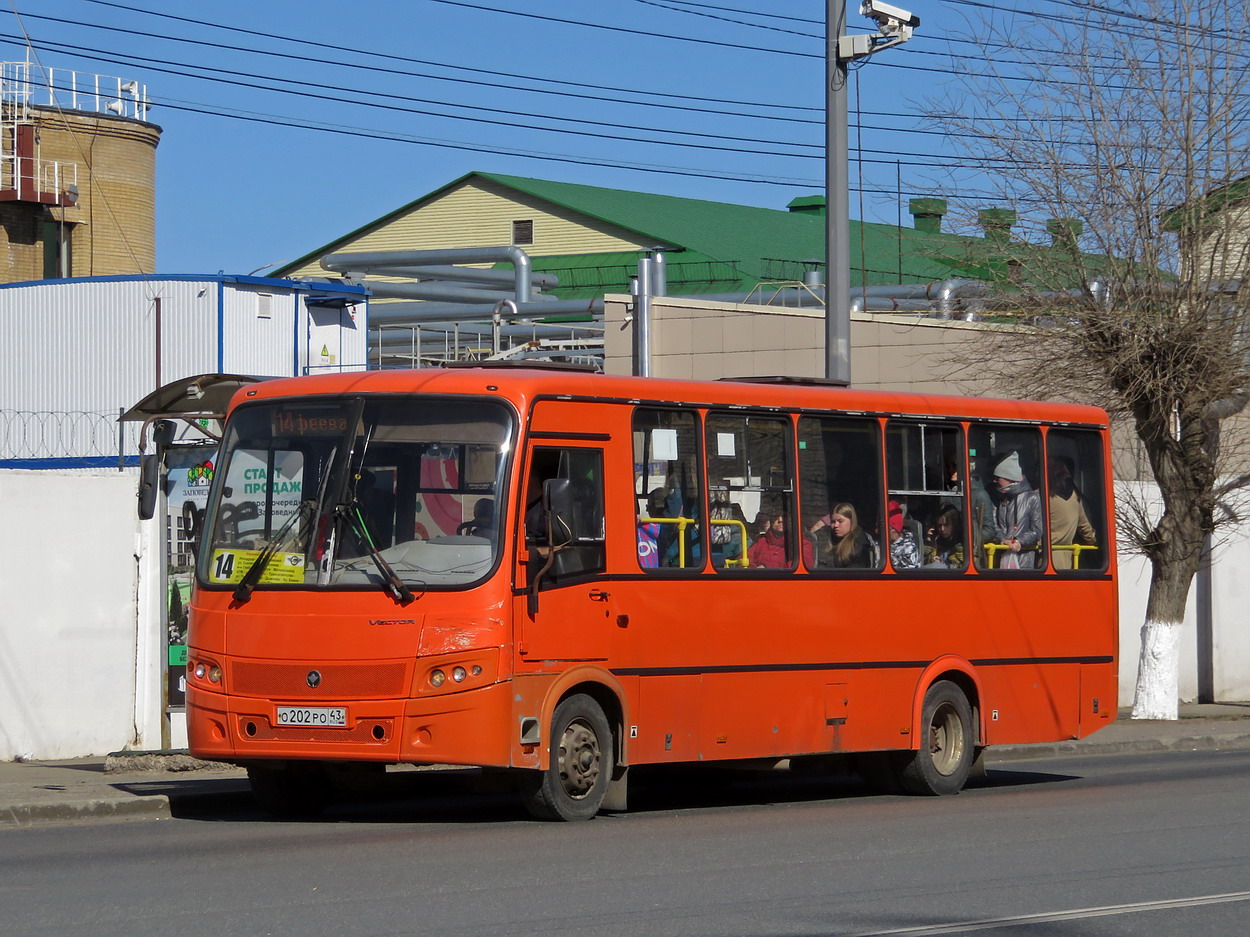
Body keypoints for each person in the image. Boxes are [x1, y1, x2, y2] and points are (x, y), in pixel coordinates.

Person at [992, 451, 1044, 568]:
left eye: (998, 478)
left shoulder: (1033, 498)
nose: (994, 481)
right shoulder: (998, 498)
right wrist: (1003, 540)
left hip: (1024, 560)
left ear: (1009, 478)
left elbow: (1037, 529)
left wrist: (1019, 541)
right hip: (1001, 557)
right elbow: (994, 525)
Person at [1048, 456, 1097, 569]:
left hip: (1043, 556)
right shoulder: (1076, 497)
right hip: (1068, 557)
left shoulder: (1040, 496)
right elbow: (1086, 529)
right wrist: (1093, 540)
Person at [810, 502, 876, 569]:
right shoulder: (826, 536)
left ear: (851, 521)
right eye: (833, 522)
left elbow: (859, 569)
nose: (835, 525)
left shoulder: (859, 542)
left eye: (840, 521)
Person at [747, 514, 814, 569]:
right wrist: (754, 570)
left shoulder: (801, 543)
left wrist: (768, 568)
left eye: (785, 517)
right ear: (771, 521)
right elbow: (745, 559)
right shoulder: (760, 540)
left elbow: (805, 564)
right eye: (776, 516)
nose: (780, 520)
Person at [924, 503, 966, 569]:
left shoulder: (964, 544)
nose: (942, 529)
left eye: (946, 525)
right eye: (939, 525)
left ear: (955, 524)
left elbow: (961, 567)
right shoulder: (937, 542)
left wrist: (945, 565)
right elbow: (925, 565)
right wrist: (930, 543)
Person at [886, 499, 920, 569]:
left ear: (894, 530)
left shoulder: (908, 547)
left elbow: (909, 572)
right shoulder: (879, 543)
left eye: (889, 529)